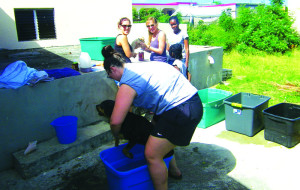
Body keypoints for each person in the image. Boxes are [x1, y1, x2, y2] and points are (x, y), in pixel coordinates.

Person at [101, 45, 203, 190]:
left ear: (112, 69)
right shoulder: (138, 68)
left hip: (180, 111)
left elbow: (116, 121)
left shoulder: (128, 81)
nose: (112, 79)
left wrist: (116, 135)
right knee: (156, 132)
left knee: (152, 154)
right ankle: (174, 171)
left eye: (109, 75)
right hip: (193, 102)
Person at [167, 16, 191, 81]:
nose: (173, 26)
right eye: (171, 25)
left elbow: (187, 49)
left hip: (181, 59)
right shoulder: (169, 34)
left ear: (178, 23)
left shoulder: (183, 34)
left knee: (182, 77)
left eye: (175, 24)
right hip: (171, 59)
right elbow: (168, 47)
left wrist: (186, 62)